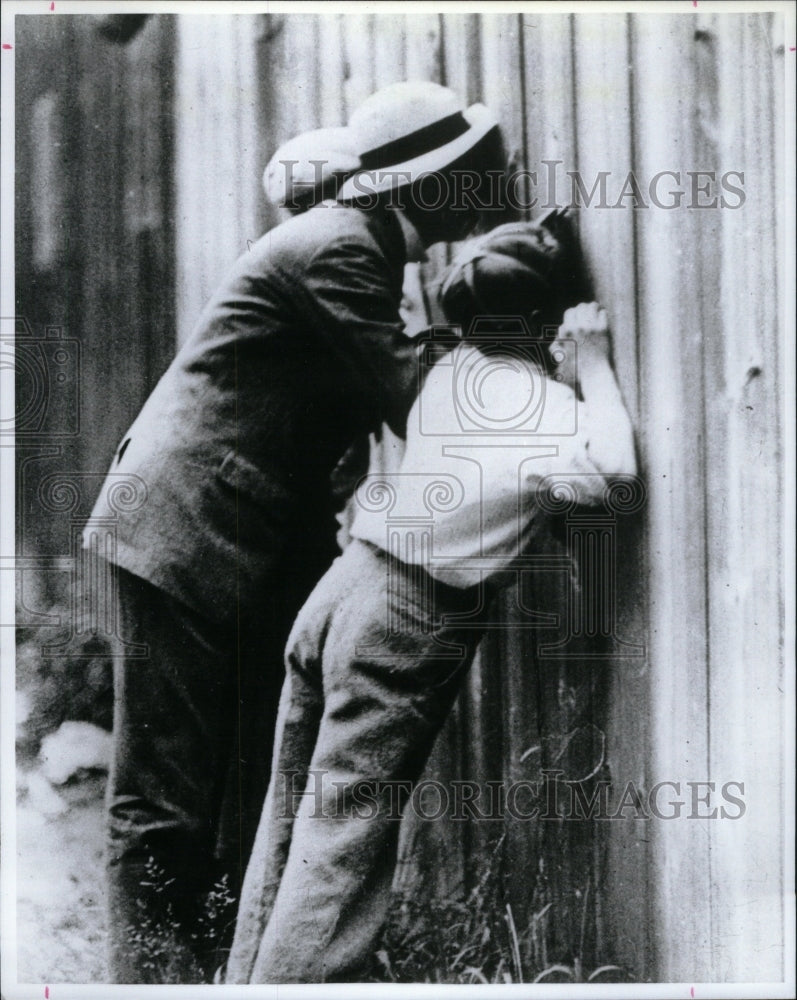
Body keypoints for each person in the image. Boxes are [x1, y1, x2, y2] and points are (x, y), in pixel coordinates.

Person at [86, 81, 505, 982]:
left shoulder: (356, 250)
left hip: (227, 530)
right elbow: (415, 402)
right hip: (182, 527)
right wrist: (527, 370)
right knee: (163, 791)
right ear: (420, 186)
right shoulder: (340, 252)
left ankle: (216, 971)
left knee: (232, 781)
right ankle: (148, 981)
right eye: (475, 172)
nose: (492, 184)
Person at [225, 217, 637, 984]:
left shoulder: (448, 374)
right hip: (404, 619)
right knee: (344, 843)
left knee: (291, 822)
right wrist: (597, 365)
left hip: (343, 589)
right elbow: (613, 467)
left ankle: (246, 979)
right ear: (548, 325)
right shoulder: (544, 412)